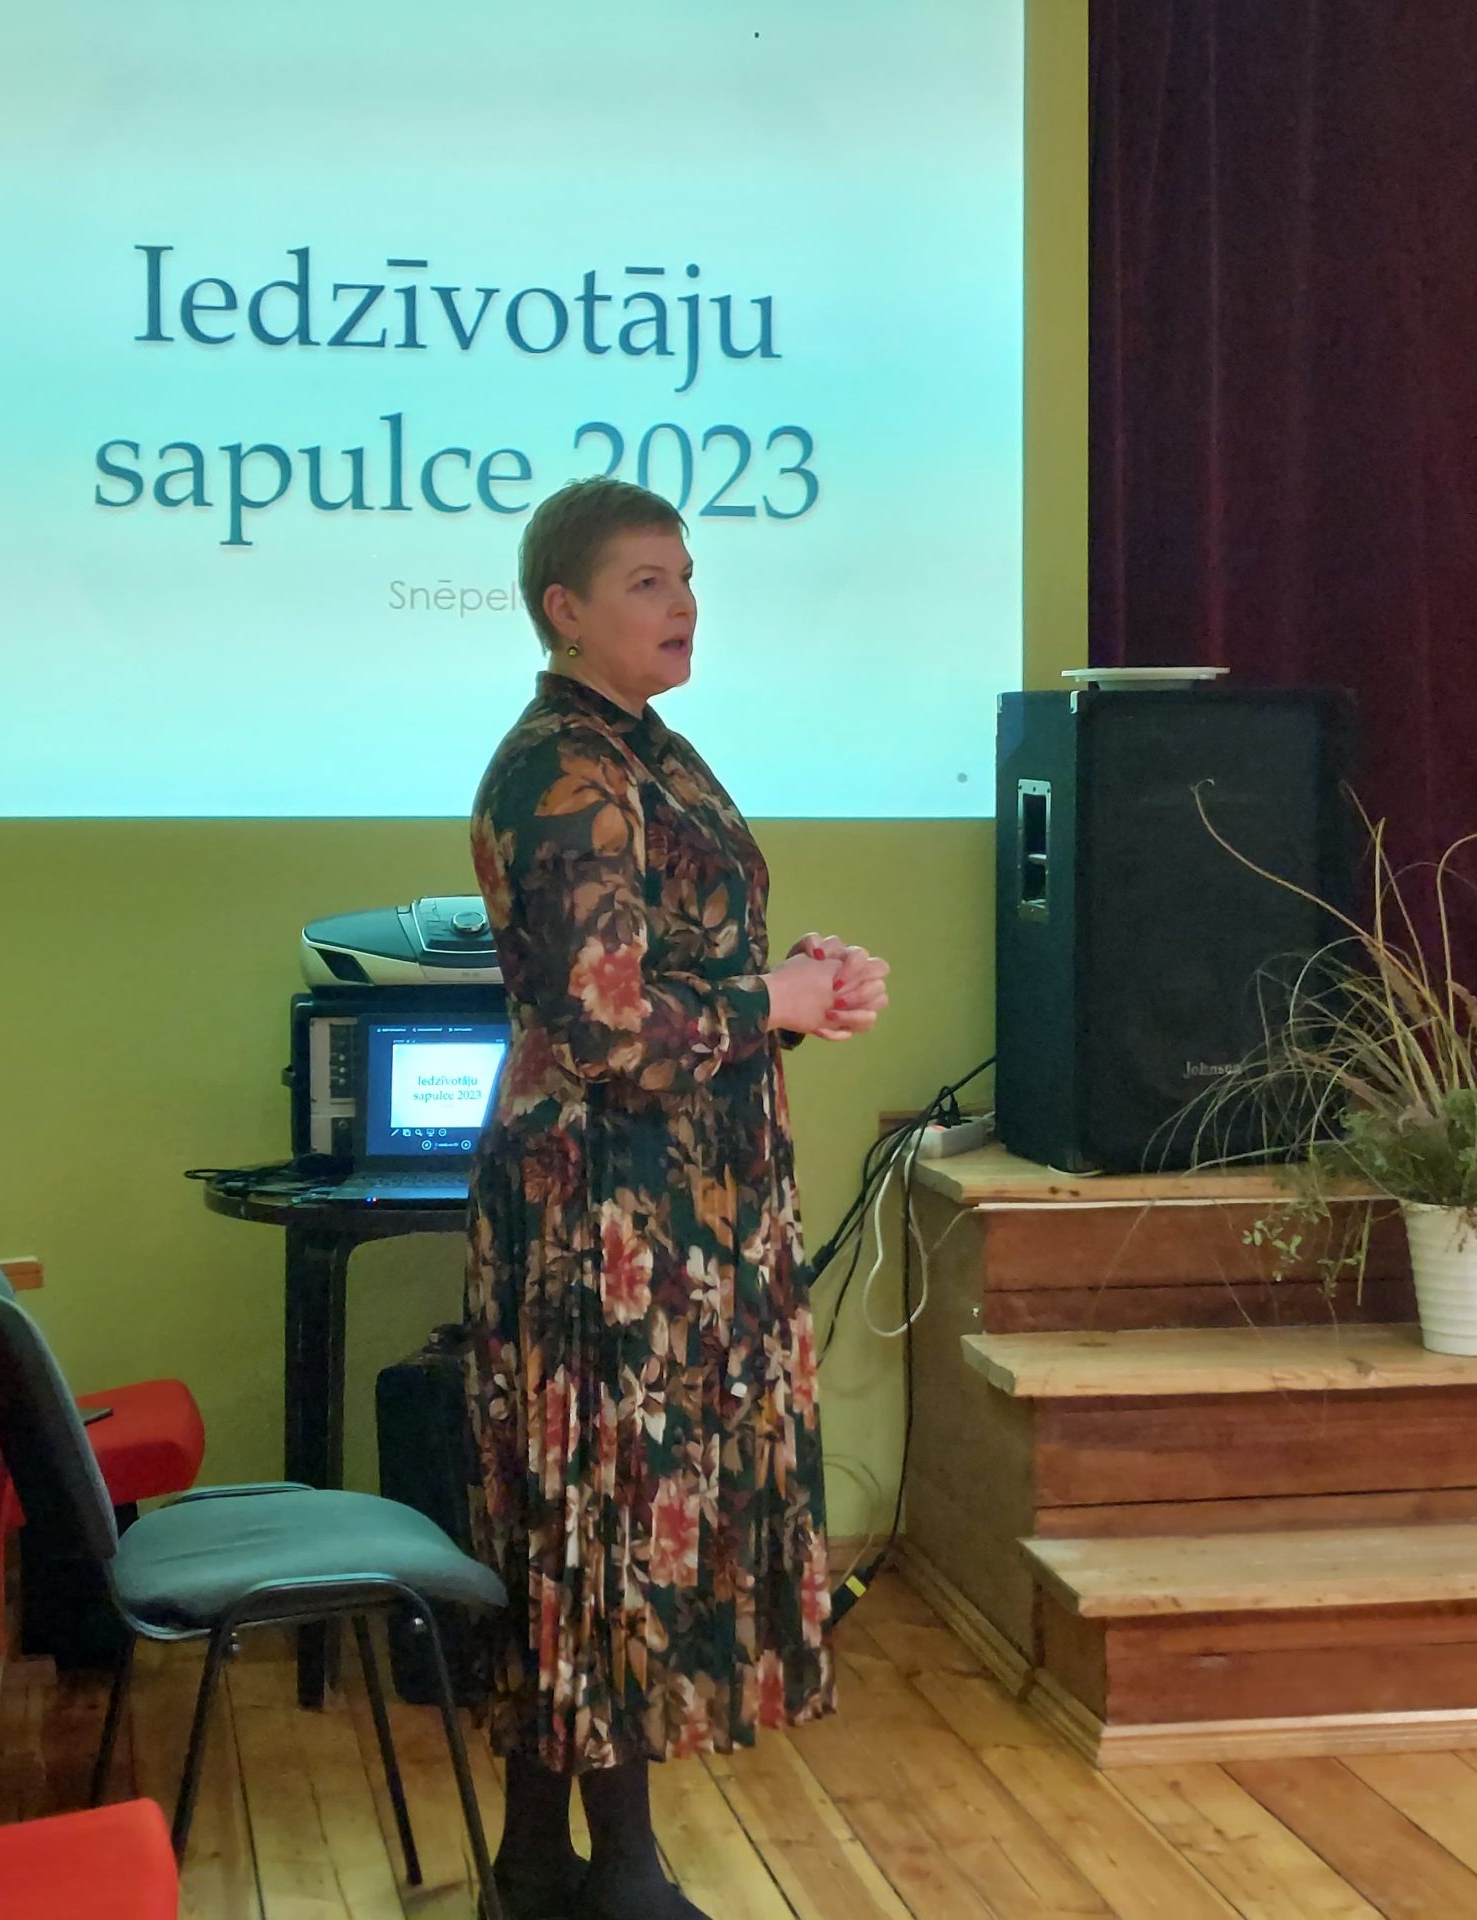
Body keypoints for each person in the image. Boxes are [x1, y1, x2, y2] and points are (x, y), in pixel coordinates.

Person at [462, 477, 889, 1919]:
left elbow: (682, 960)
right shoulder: (561, 770)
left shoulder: (645, 750)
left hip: (681, 1200)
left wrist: (795, 985)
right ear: (563, 609)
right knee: (602, 1522)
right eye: (647, 581)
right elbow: (599, 1025)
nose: (685, 603)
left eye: (689, 576)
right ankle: (620, 1875)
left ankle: (539, 1867)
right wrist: (769, 1003)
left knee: (602, 1524)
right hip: (605, 1213)